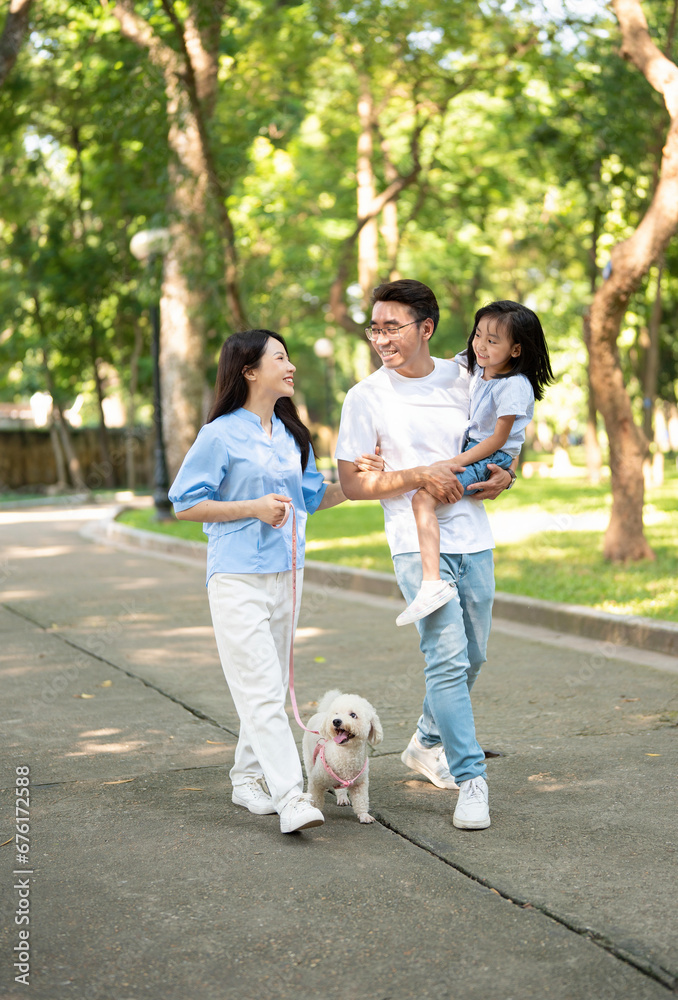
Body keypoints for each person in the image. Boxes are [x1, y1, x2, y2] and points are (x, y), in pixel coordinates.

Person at [168, 329, 379, 835]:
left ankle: (245, 778)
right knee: (263, 690)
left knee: (266, 686)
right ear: (248, 370)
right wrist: (253, 509)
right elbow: (185, 502)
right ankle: (290, 796)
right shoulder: (218, 435)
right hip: (237, 576)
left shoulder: (291, 435)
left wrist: (355, 484)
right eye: (280, 358)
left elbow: (312, 498)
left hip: (288, 574)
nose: (291, 366)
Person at [335, 279, 512, 831]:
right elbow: (354, 484)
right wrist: (417, 475)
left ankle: (426, 741)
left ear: (426, 328)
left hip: (473, 537)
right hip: (415, 544)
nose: (380, 338)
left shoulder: (469, 379)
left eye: (392, 327)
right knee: (447, 658)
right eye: (375, 328)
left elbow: (497, 444)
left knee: (474, 657)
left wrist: (507, 474)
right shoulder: (366, 397)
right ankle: (471, 777)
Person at [397, 300, 553, 627]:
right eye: (478, 334)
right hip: (477, 449)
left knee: (424, 497)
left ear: (515, 350)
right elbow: (435, 367)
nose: (480, 345)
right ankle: (432, 582)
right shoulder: (476, 364)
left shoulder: (514, 386)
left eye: (493, 340)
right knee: (426, 496)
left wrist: (453, 463)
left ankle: (431, 585)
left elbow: (497, 440)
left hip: (490, 455)